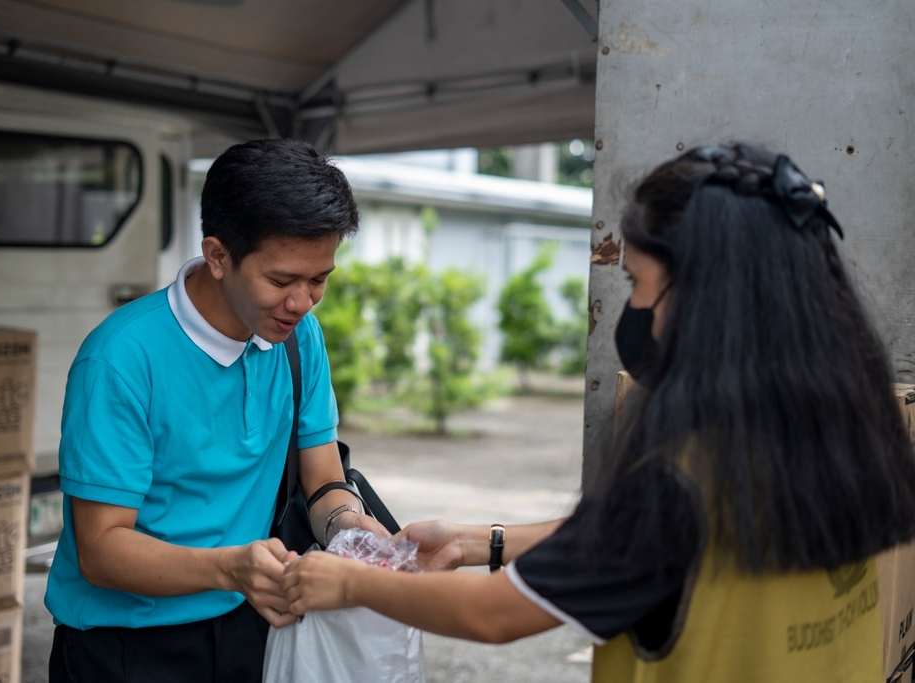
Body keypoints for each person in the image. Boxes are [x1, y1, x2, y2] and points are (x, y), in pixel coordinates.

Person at [282, 143, 915, 682]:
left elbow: (494, 615)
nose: (633, 310)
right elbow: (648, 541)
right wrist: (476, 541)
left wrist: (348, 584)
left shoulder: (686, 475)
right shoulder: (836, 426)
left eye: (639, 284)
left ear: (707, 301)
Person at [46, 139, 386, 683]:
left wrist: (351, 531)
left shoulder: (300, 339)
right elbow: (101, 550)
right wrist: (231, 566)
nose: (301, 302)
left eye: (319, 279)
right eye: (280, 281)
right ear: (218, 255)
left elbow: (322, 475)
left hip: (248, 622)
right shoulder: (121, 358)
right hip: (127, 645)